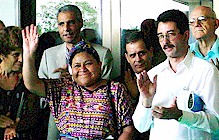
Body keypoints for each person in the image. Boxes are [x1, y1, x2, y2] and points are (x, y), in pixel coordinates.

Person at [22, 24, 134, 140]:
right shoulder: (63, 88)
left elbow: (128, 128)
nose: (82, 69)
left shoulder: (115, 90)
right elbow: (32, 84)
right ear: (71, 69)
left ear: (99, 65)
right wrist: (29, 55)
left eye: (88, 63)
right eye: (77, 66)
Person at [132, 9, 219, 140]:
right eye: (161, 36)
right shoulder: (153, 75)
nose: (165, 42)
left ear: (185, 35)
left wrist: (181, 116)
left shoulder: (207, 71)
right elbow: (140, 126)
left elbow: (216, 124)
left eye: (170, 34)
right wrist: (146, 101)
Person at [38, 4, 114, 139]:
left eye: (71, 22)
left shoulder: (102, 54)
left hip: (94, 126)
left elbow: (104, 94)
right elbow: (41, 97)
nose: (66, 29)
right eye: (61, 24)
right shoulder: (48, 55)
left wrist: (74, 79)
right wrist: (57, 86)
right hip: (57, 126)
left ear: (81, 23)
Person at [0, 26, 42, 140]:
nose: (21, 59)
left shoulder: (28, 79)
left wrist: (15, 127)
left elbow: (34, 116)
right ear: (2, 55)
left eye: (23, 54)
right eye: (15, 55)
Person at [124, 31, 154, 140]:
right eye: (132, 55)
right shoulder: (120, 83)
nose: (138, 59)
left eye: (142, 53)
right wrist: (133, 97)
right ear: (127, 58)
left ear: (151, 52)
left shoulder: (163, 77)